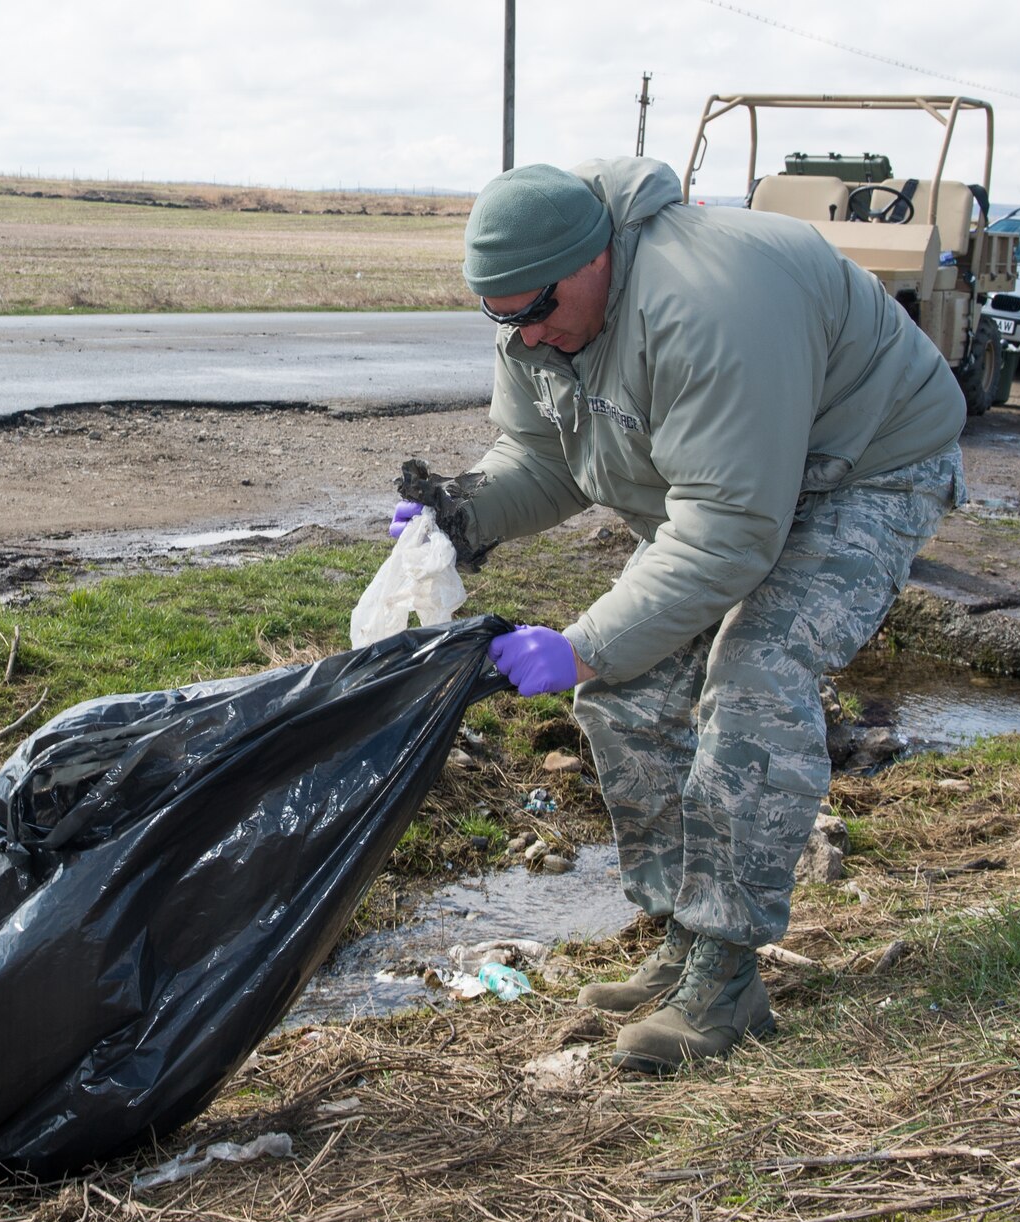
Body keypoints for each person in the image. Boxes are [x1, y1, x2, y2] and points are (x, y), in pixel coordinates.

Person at [394, 159, 966, 1074]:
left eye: (534, 310)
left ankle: (729, 977)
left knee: (753, 678)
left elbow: (730, 535)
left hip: (865, 468)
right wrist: (459, 517)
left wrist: (580, 646)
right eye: (501, 316)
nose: (523, 333)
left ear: (595, 260)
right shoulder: (538, 318)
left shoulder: (710, 305)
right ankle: (682, 936)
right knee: (618, 696)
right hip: (729, 490)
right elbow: (544, 458)